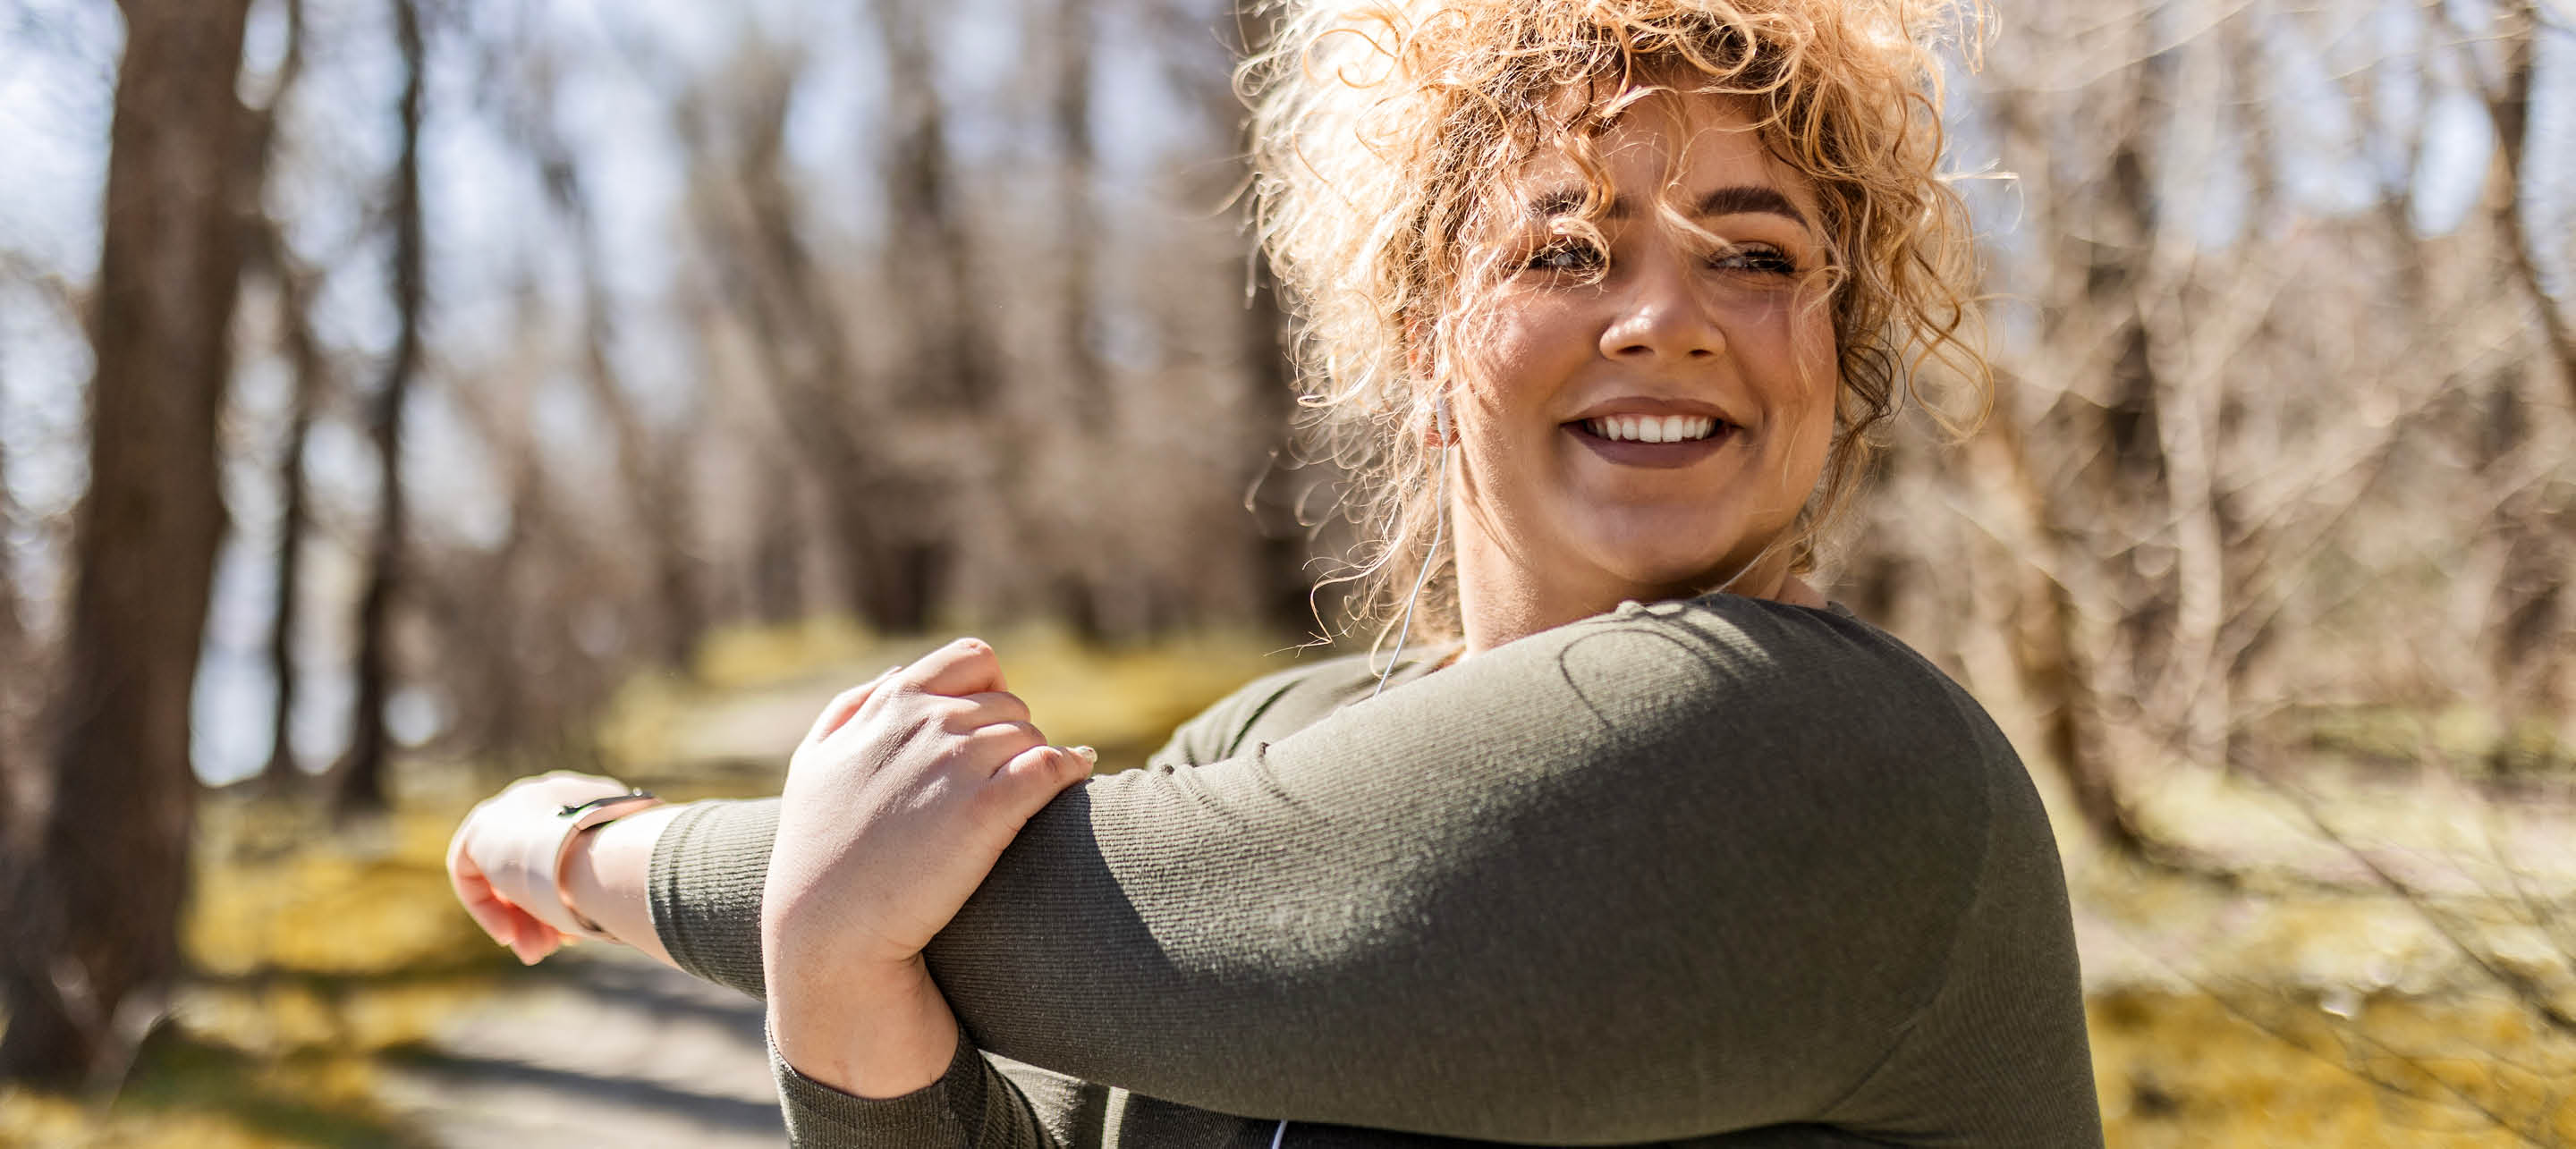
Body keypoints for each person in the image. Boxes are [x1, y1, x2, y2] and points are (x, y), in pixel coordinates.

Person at [447, 0, 2106, 1144]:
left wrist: (586, 846)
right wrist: (827, 974)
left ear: (1840, 344)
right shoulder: (1270, 735)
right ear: (1416, 325)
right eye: (1565, 248)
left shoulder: (1834, 758)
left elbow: (1050, 922)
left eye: (1756, 255)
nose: (1665, 314)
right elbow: (934, 945)